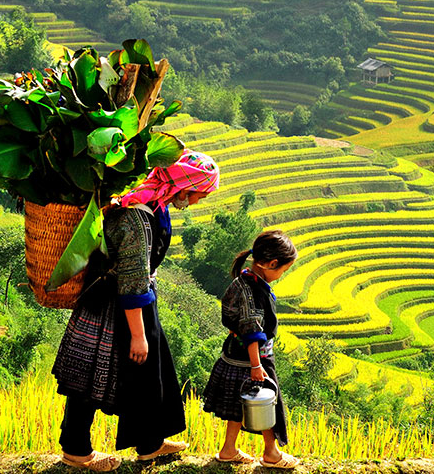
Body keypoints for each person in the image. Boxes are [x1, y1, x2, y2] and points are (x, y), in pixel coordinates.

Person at [51, 150, 219, 471]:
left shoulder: (155, 204)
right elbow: (131, 280)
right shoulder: (136, 217)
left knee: (149, 374)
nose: (197, 201)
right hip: (114, 303)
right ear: (185, 185)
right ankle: (75, 449)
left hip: (136, 299)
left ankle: (150, 443)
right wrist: (139, 334)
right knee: (91, 376)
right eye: (199, 193)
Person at [202, 230, 300, 469]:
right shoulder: (251, 290)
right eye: (282, 270)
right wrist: (257, 366)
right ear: (272, 263)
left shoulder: (245, 280)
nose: (280, 275)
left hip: (236, 354)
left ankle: (228, 450)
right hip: (254, 359)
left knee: (239, 405)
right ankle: (272, 453)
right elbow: (251, 330)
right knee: (266, 401)